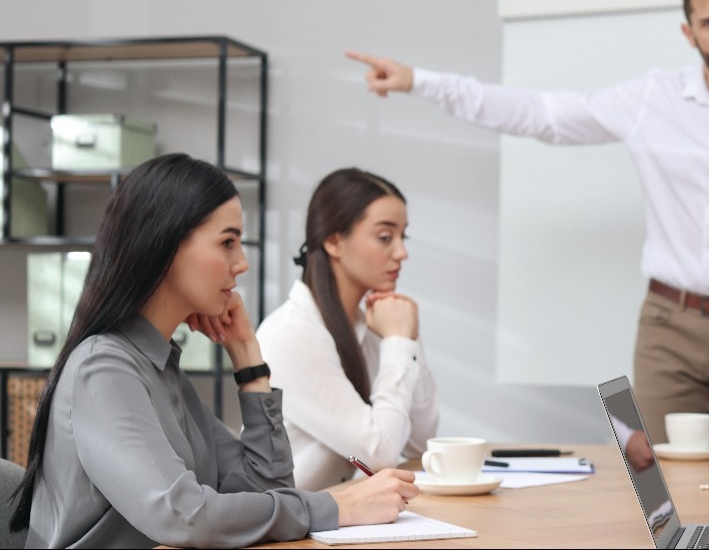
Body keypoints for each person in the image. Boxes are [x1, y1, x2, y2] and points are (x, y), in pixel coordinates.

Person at [345, 0, 709, 447]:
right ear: (688, 32)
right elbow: (541, 113)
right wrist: (422, 82)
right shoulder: (652, 100)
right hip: (668, 330)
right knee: (662, 492)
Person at [8, 154, 420, 548]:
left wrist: (248, 362)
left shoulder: (162, 368)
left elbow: (266, 489)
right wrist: (335, 506)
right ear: (165, 244)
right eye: (227, 242)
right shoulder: (103, 368)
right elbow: (183, 515)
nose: (241, 263)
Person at [257, 167, 438, 491]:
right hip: (287, 535)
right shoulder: (294, 335)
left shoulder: (368, 325)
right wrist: (398, 342)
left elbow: (419, 446)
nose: (402, 252)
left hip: (333, 524)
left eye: (403, 236)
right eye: (385, 237)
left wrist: (407, 339)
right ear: (334, 241)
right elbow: (379, 455)